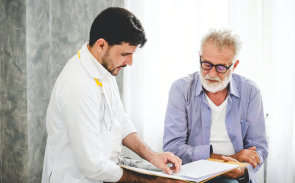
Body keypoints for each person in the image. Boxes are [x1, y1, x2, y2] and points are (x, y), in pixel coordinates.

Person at [42, 7, 184, 183]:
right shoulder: (78, 87)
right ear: (101, 45)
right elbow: (93, 166)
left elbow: (120, 121)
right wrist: (152, 182)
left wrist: (152, 156)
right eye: (125, 54)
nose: (130, 62)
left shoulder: (104, 69)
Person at [163, 29, 268, 183]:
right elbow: (173, 148)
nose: (211, 74)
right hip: (193, 174)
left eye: (220, 68)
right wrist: (229, 160)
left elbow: (259, 148)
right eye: (206, 64)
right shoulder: (181, 89)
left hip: (237, 175)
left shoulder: (250, 91)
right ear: (200, 57)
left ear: (234, 65)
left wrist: (242, 168)